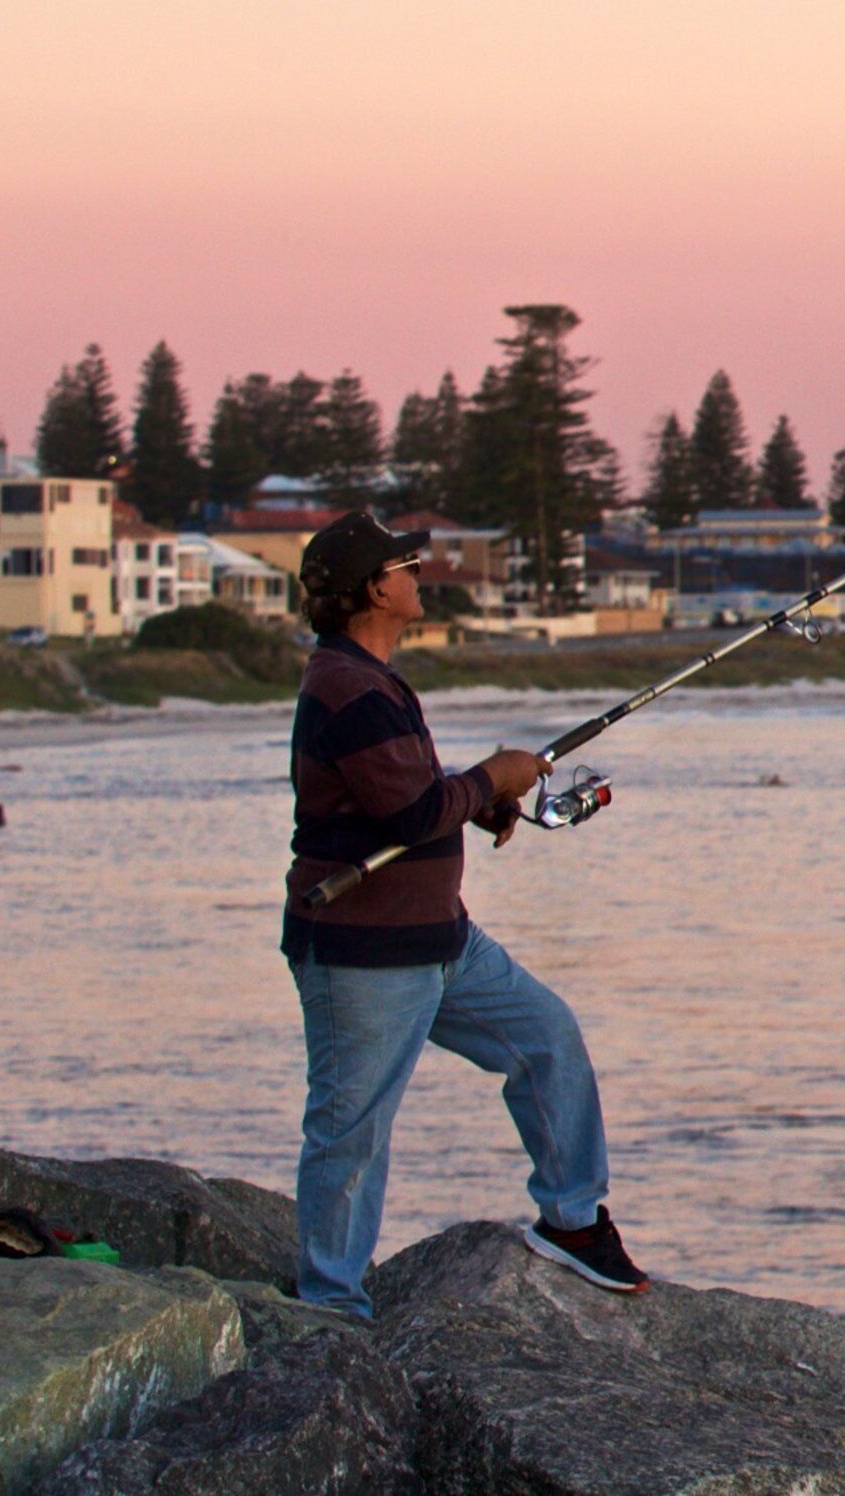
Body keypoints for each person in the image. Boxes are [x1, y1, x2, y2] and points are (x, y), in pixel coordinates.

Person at [280, 510, 645, 1315]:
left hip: (441, 941)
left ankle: (573, 1222)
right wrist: (495, 776)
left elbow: (404, 794)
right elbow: (406, 817)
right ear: (377, 589)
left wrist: (473, 804)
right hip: (364, 955)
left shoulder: (370, 677)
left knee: (547, 1038)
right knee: (351, 1133)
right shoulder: (348, 687)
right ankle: (329, 1307)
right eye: (406, 567)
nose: (419, 577)